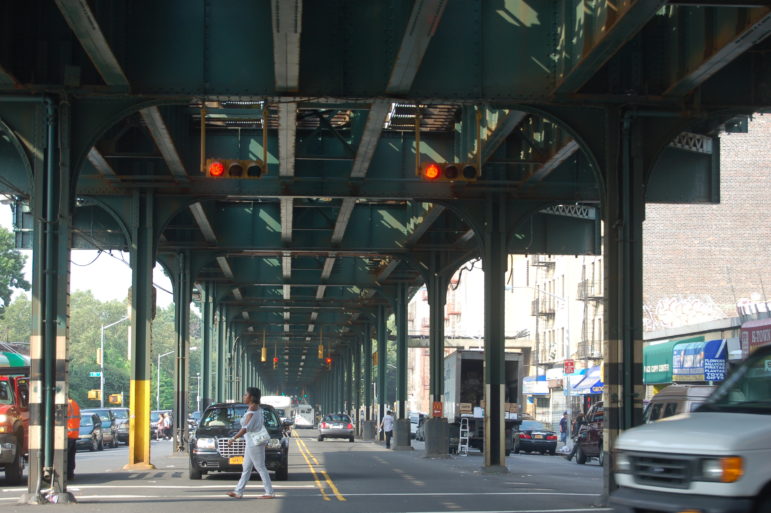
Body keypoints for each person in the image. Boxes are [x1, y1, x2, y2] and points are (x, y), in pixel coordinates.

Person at [226, 387, 274, 499]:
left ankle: (269, 492)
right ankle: (238, 491)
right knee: (246, 467)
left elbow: (245, 428)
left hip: (254, 443)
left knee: (260, 467)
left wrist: (233, 439)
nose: (244, 396)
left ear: (251, 397)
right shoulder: (256, 408)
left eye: (245, 395)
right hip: (252, 442)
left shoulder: (252, 411)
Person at [66, 398, 80, 480]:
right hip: (73, 434)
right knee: (70, 456)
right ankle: (70, 473)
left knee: (66, 457)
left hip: (67, 433)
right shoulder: (74, 403)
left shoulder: (66, 404)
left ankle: (67, 474)